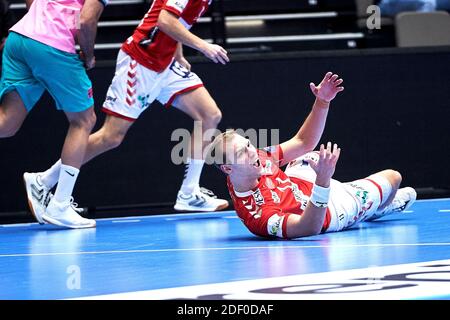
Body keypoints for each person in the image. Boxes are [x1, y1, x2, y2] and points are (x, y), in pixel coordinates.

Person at [25, 0, 230, 226]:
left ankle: (189, 194)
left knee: (209, 115)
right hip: (140, 62)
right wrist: (204, 46)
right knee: (110, 137)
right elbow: (164, 20)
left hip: (166, 64)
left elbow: (175, 19)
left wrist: (177, 53)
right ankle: (44, 181)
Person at [209, 72, 417, 239]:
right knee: (393, 177)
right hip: (329, 211)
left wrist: (322, 102)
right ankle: (372, 210)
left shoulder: (257, 160)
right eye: (242, 152)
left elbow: (302, 142)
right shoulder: (259, 216)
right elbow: (308, 228)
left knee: (308, 155)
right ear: (228, 169)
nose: (252, 151)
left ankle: (369, 206)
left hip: (303, 185)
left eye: (249, 144)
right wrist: (323, 180)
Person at [1, 0, 108, 228]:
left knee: (7, 123)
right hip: (53, 45)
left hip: (20, 38)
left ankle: (43, 186)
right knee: (84, 120)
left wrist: (40, 23)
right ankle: (59, 205)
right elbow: (87, 20)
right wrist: (88, 55)